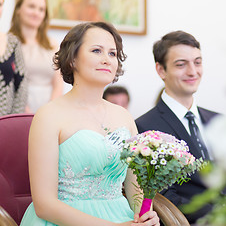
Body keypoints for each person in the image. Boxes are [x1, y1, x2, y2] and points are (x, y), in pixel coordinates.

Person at [20, 21, 159, 226]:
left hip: (123, 218)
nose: (106, 59)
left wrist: (144, 215)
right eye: (96, 50)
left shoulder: (125, 117)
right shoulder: (48, 116)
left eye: (112, 54)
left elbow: (135, 189)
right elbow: (44, 204)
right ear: (73, 59)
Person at [135, 30, 218, 224]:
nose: (192, 71)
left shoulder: (218, 121)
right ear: (161, 70)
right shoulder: (146, 128)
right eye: (181, 64)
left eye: (197, 62)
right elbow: (164, 197)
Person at [10, 0, 63, 113]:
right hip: (17, 110)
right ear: (18, 9)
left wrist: (48, 111)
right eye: (31, 7)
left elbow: (58, 84)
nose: (36, 13)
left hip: (50, 110)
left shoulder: (52, 45)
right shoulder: (8, 43)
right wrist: (26, 112)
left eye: (41, 9)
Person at [0, 0, 27, 116]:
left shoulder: (12, 42)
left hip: (5, 124)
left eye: (0, 4)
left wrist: (13, 120)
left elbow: (21, 85)